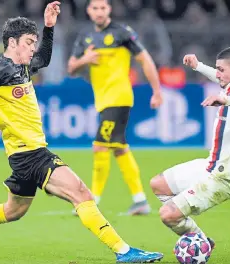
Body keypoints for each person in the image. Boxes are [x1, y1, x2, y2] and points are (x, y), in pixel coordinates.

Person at [0, 2, 163, 263]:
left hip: (22, 156)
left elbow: (44, 59)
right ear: (13, 42)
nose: (32, 47)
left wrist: (49, 27)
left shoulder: (24, 68)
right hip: (32, 154)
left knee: (12, 211)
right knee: (82, 193)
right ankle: (124, 252)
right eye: (29, 42)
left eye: (34, 42)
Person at [149, 46, 230, 249]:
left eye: (221, 69)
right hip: (211, 165)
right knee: (158, 184)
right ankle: (203, 241)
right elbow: (218, 78)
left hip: (225, 176)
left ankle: (198, 243)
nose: (217, 74)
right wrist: (199, 66)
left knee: (167, 214)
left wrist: (225, 99)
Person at [67, 0, 163, 215]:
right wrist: (85, 59)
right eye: (95, 8)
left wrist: (157, 91)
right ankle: (140, 200)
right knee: (119, 148)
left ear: (109, 9)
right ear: (89, 11)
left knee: (100, 146)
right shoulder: (84, 36)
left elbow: (145, 60)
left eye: (103, 8)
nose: (99, 12)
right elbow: (71, 68)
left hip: (119, 97)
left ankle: (91, 201)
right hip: (102, 100)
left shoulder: (122, 33)